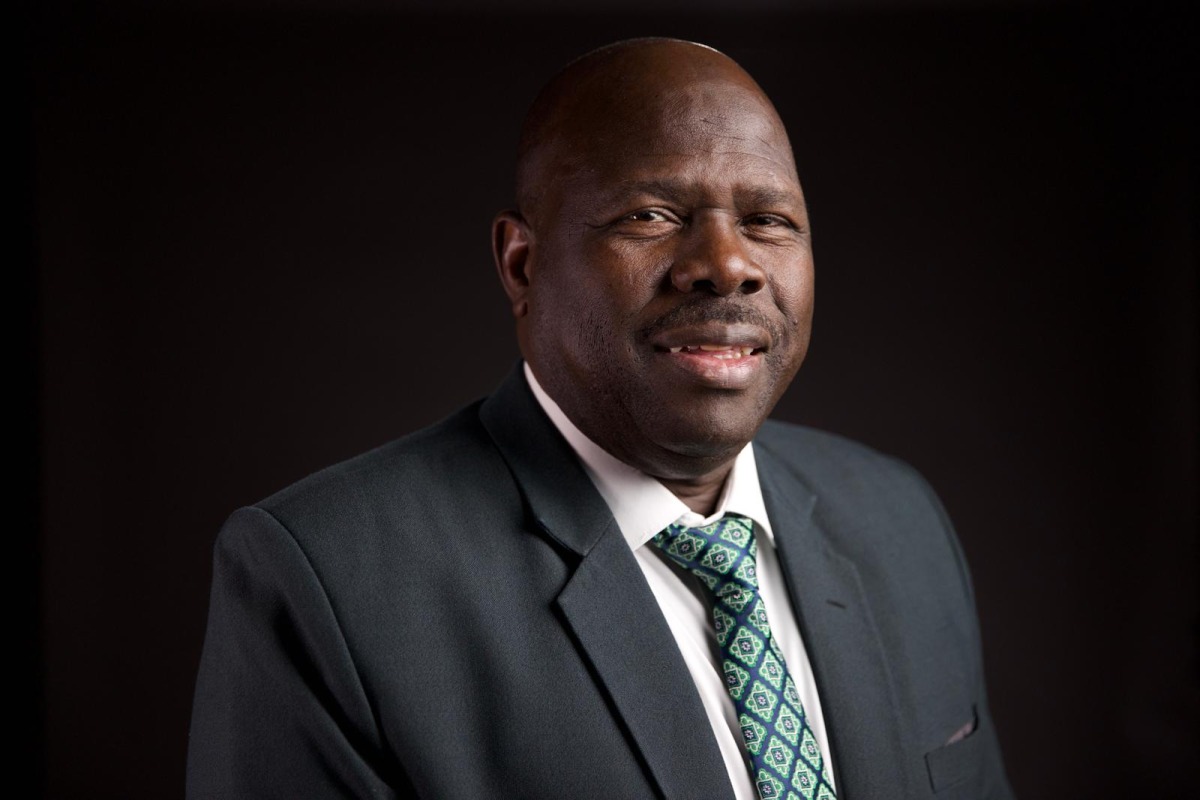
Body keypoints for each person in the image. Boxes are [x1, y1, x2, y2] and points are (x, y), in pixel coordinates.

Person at [187, 38, 1013, 799]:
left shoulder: (900, 522)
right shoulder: (331, 581)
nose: (728, 264)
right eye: (652, 215)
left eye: (768, 221)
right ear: (522, 264)